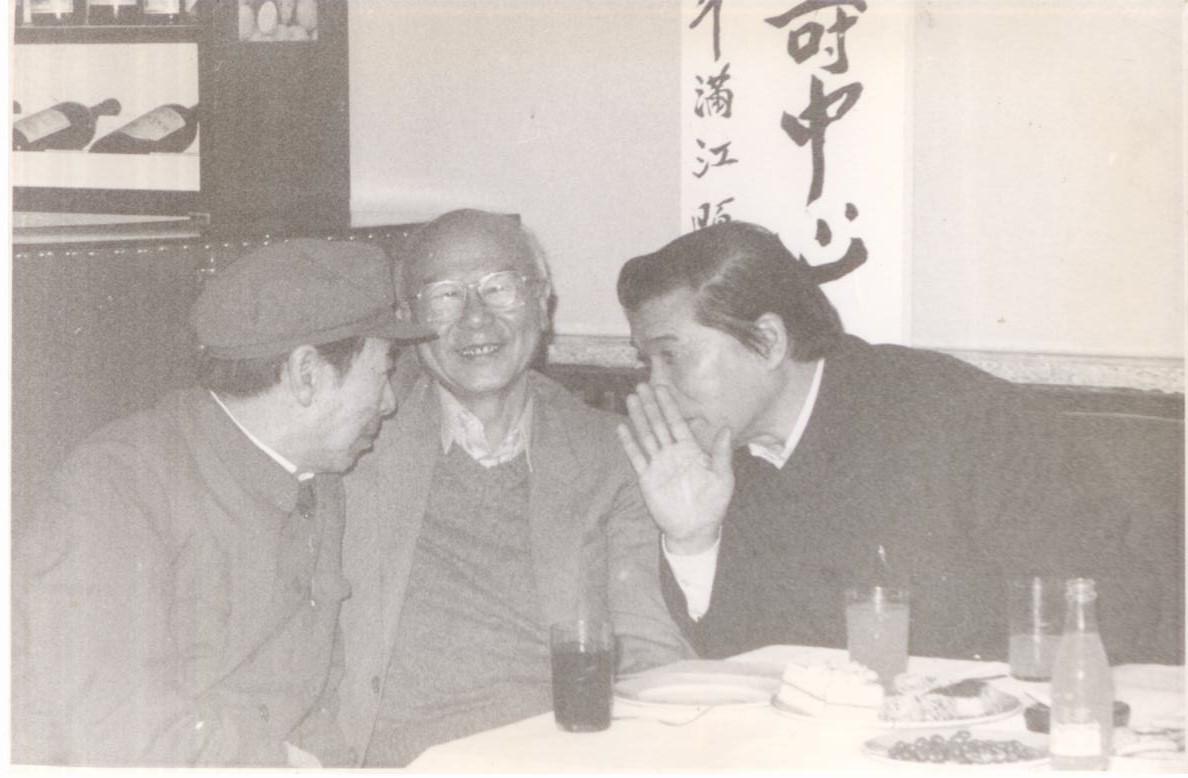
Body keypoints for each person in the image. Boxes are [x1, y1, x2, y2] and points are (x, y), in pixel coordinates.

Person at [614, 220, 1162, 664]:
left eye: (672, 356)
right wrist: (694, 540)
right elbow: (741, 661)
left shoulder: (955, 416)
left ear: (767, 340)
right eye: (647, 362)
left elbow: (1108, 612)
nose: (653, 388)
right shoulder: (724, 461)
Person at [11, 239, 434, 767]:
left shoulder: (319, 477)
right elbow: (118, 730)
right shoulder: (115, 490)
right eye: (384, 370)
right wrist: (279, 762)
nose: (389, 402)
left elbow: (319, 697)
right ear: (306, 374)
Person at [335, 209, 691, 767]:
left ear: (542, 303)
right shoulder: (353, 441)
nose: (476, 318)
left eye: (499, 288)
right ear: (407, 319)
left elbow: (649, 650)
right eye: (446, 296)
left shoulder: (613, 453)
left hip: (562, 757)